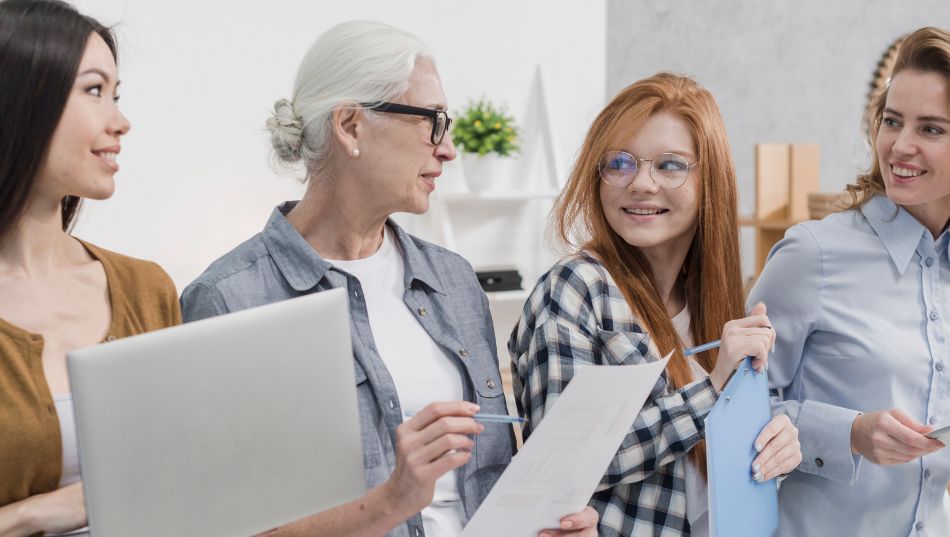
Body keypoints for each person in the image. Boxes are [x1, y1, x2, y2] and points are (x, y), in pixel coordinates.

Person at [180, 21, 597, 537]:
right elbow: (217, 525)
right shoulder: (229, 300)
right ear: (351, 126)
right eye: (432, 122)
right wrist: (387, 503)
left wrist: (544, 521)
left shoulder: (455, 281)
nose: (447, 150)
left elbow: (487, 478)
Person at [509, 72, 802, 537]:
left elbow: (714, 484)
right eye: (620, 163)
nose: (641, 183)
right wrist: (713, 391)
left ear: (712, 182)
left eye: (670, 165)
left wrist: (776, 448)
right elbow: (559, 470)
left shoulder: (717, 305)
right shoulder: (574, 290)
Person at [748, 26, 950, 536]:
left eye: (931, 129)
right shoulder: (813, 254)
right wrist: (849, 434)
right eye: (892, 121)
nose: (900, 146)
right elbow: (728, 415)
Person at [0, 1, 180, 535]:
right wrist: (38, 514)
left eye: (116, 95)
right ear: (19, 99)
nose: (120, 121)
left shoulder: (147, 289)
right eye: (94, 90)